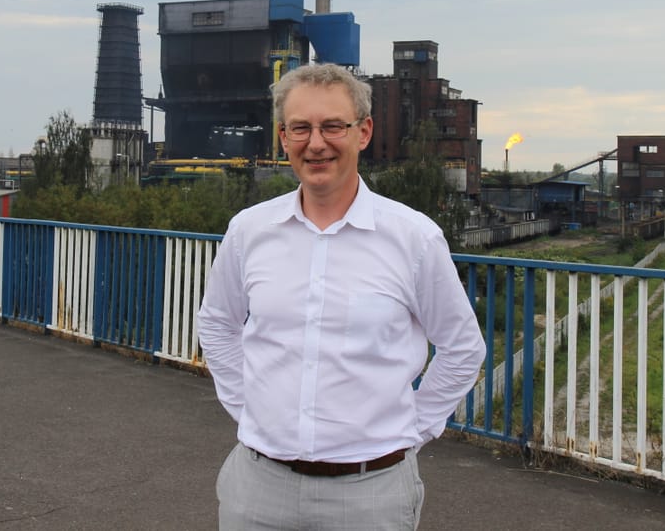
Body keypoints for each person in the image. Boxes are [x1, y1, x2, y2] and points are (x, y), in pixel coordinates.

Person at [197, 63, 486, 530]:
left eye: (333, 126)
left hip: (371, 496)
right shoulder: (249, 231)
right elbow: (217, 324)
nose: (316, 143)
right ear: (283, 136)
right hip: (258, 488)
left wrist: (412, 428)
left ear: (363, 132)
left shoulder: (413, 238)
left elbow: (462, 348)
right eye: (301, 128)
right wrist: (246, 403)